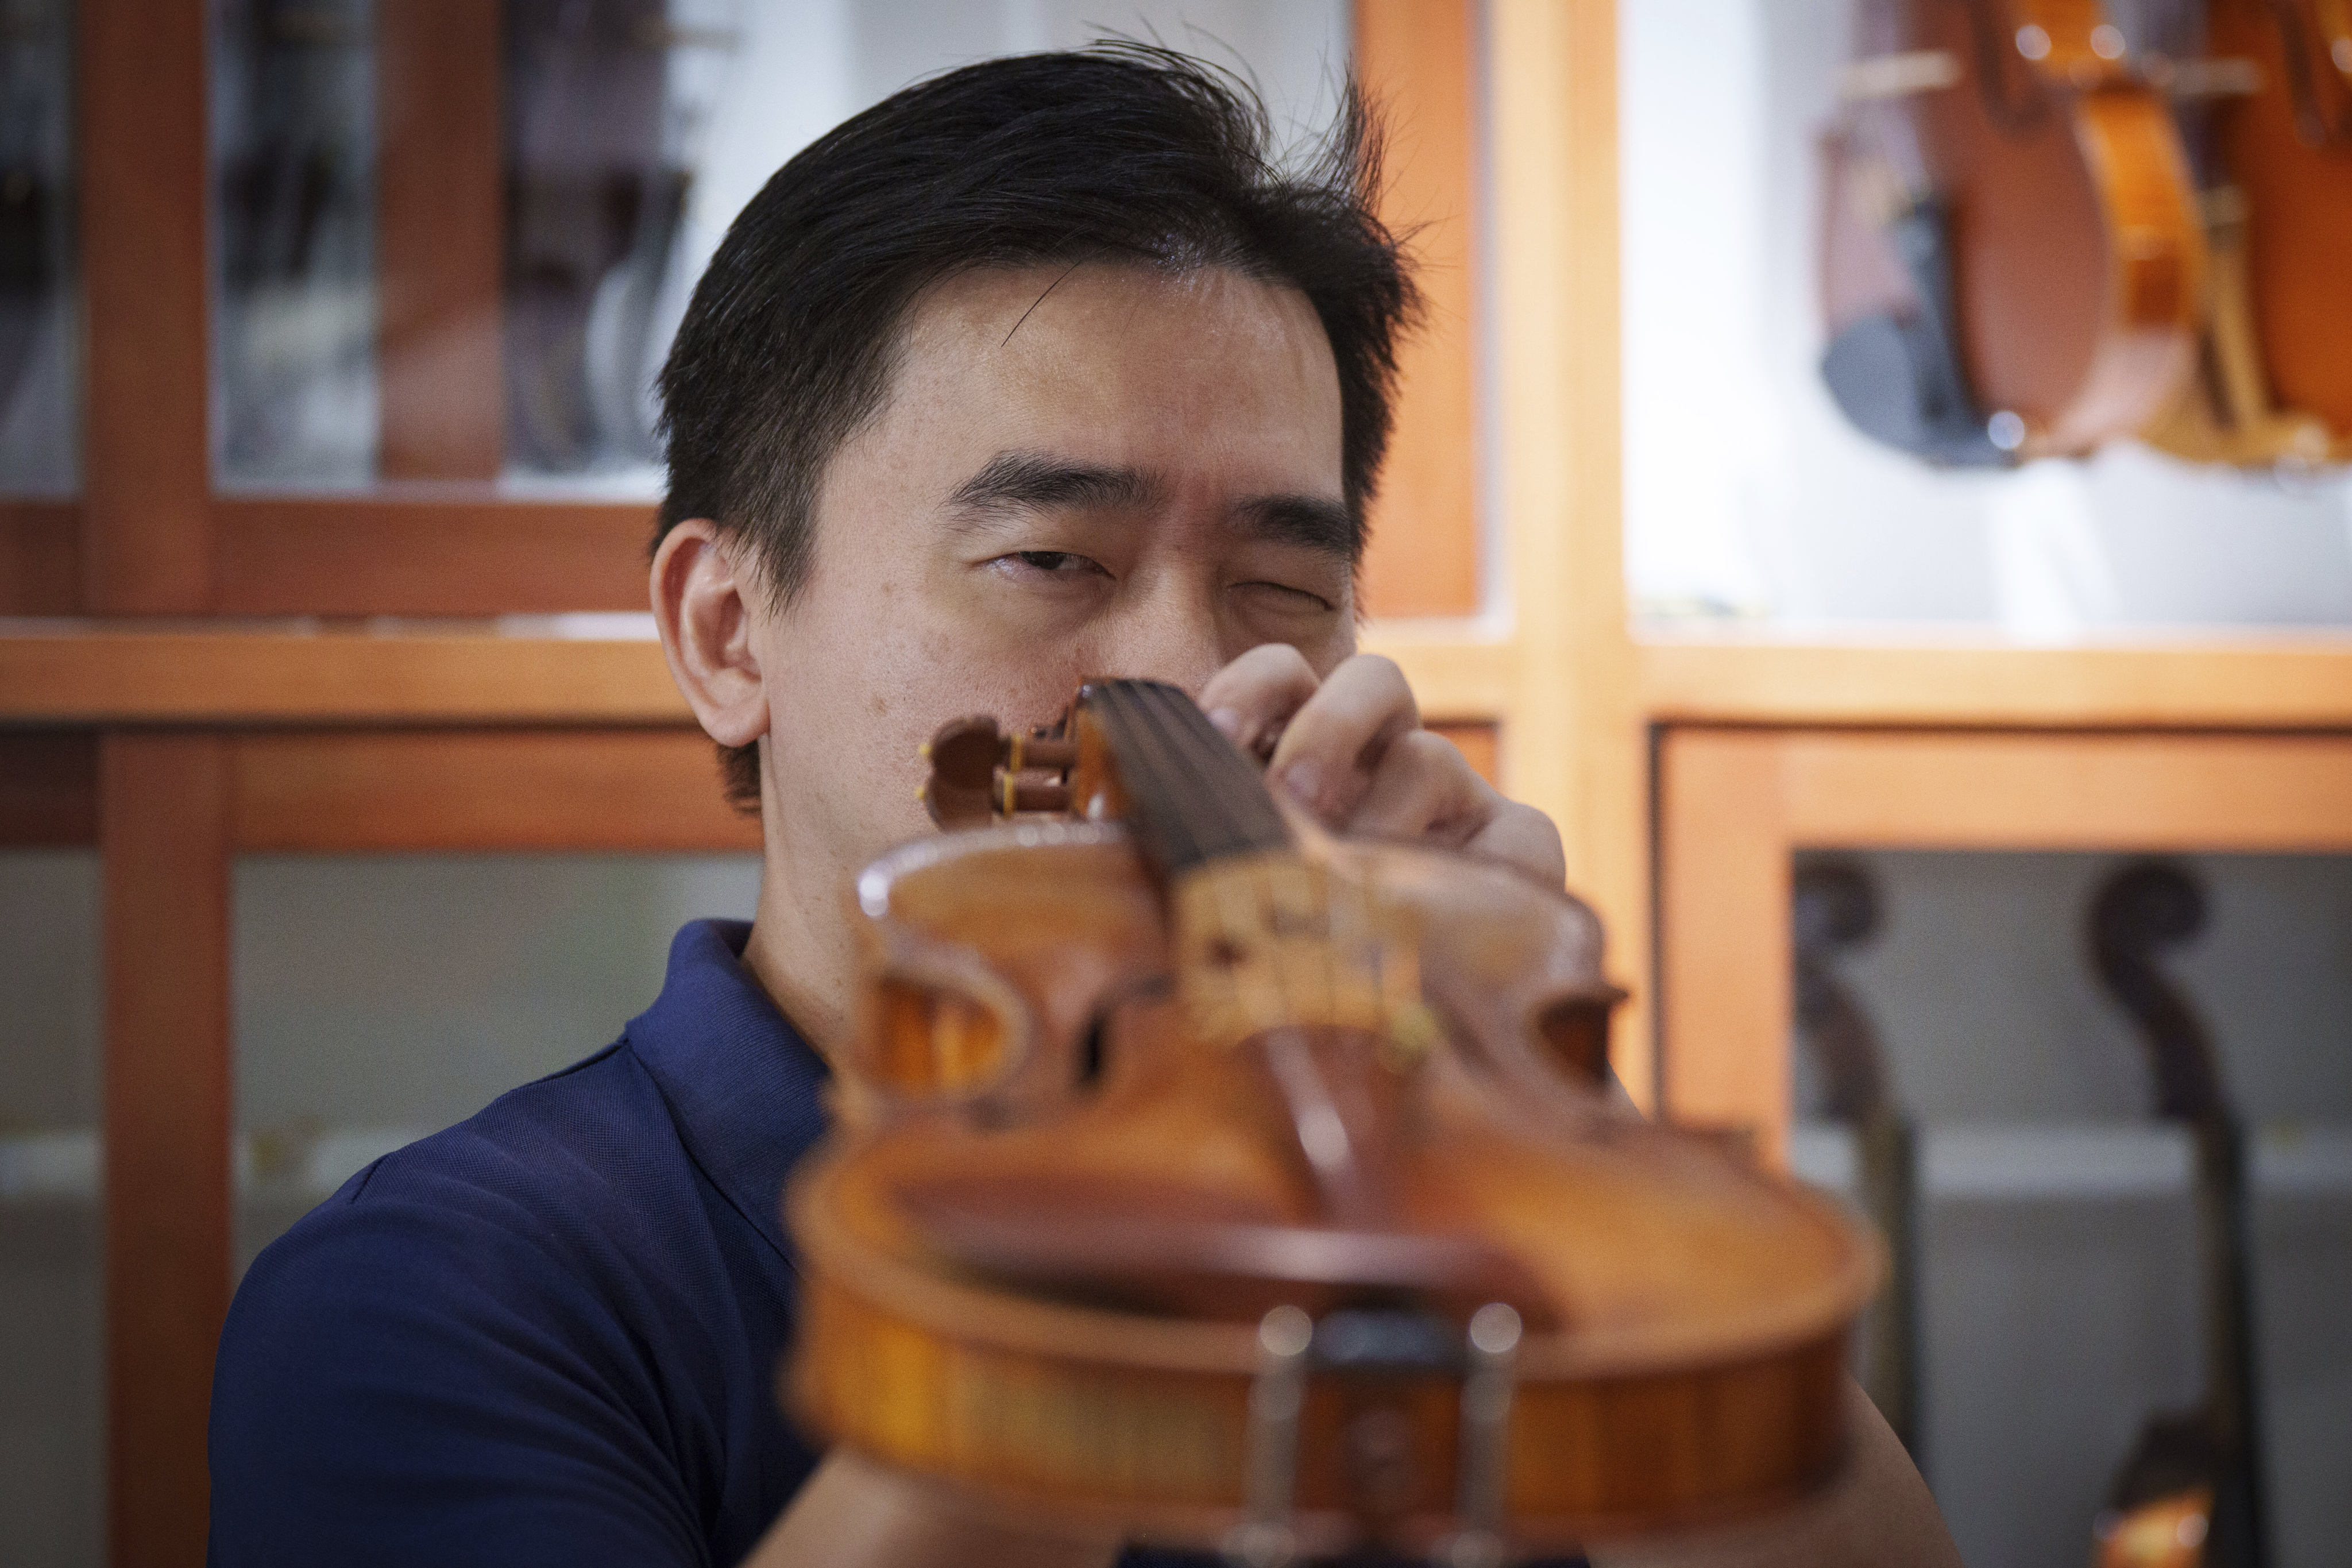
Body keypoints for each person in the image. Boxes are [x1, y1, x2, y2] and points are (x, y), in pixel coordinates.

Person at [208, 46, 1960, 1568]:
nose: (1191, 682)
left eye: (1283, 585)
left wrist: (1542, 1118)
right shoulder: (442, 1295)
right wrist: (1117, 1203)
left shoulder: (1411, 1201)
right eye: (1052, 557)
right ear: (728, 634)